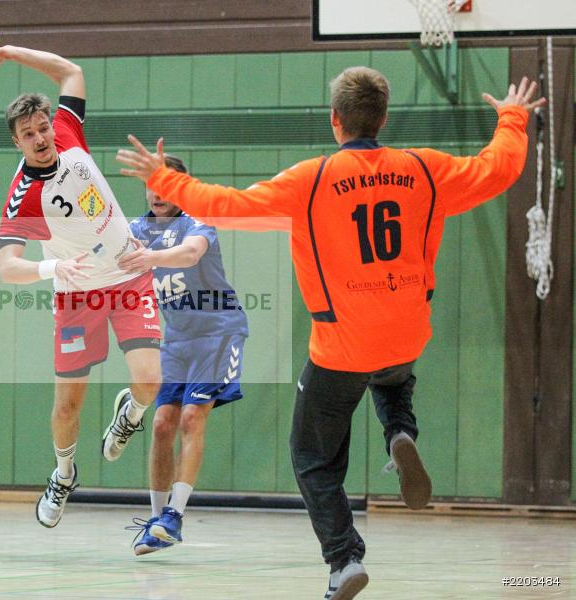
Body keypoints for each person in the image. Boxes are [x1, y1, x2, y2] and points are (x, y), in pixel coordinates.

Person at [117, 70, 544, 598]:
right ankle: (399, 432)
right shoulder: (425, 169)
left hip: (342, 343)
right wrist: (512, 117)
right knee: (392, 374)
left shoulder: (311, 180)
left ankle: (344, 560)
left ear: (335, 120)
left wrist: (165, 179)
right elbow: (498, 169)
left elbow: (228, 205)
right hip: (406, 330)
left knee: (312, 456)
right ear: (383, 118)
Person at [0, 44, 162, 528]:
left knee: (150, 380)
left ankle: (130, 414)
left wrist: (7, 53)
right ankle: (63, 475)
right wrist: (52, 268)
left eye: (42, 127)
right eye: (28, 134)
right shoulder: (24, 196)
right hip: (77, 294)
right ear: (16, 143)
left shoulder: (67, 130)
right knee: (67, 406)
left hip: (129, 274)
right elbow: (7, 267)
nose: (40, 137)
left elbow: (70, 70)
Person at [118, 155, 248, 555]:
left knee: (192, 416)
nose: (156, 194)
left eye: (165, 185)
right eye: (151, 185)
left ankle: (175, 515)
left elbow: (190, 254)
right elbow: (105, 255)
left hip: (218, 331)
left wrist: (149, 258)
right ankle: (157, 522)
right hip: (176, 338)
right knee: (161, 425)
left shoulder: (197, 220)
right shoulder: (136, 229)